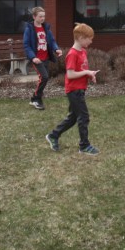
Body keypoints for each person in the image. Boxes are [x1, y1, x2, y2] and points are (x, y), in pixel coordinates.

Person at [45, 23, 100, 154]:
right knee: (84, 117)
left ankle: (53, 135)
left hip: (80, 89)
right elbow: (70, 74)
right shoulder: (72, 54)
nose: (91, 41)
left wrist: (89, 74)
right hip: (74, 91)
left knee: (73, 117)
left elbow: (81, 70)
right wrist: (86, 73)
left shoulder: (83, 52)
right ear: (81, 38)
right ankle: (84, 146)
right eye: (89, 38)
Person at [23, 6, 63, 110]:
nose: (42, 18)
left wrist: (56, 49)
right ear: (34, 16)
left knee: (44, 78)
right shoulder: (29, 29)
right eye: (40, 16)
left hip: (45, 58)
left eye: (44, 16)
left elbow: (52, 41)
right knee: (44, 77)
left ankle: (34, 98)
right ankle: (37, 99)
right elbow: (26, 45)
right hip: (37, 59)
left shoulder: (46, 28)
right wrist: (33, 57)